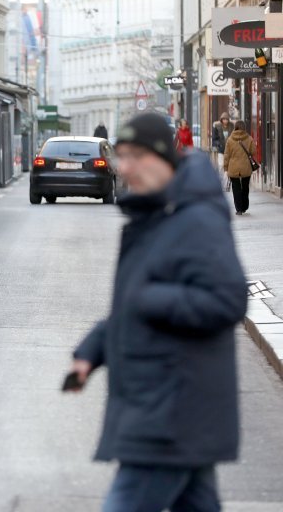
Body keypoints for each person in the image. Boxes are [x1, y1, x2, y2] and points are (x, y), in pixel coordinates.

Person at [65, 111, 248, 512]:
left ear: (161, 157)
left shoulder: (195, 219)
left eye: (132, 156)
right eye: (120, 157)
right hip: (164, 399)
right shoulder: (153, 216)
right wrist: (92, 351)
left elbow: (228, 300)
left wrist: (154, 299)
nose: (123, 168)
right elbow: (134, 301)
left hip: (172, 405)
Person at [223, 119, 256, 215]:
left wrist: (225, 168)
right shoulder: (249, 138)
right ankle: (245, 206)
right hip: (246, 167)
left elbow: (226, 155)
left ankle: (239, 209)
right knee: (245, 187)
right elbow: (253, 151)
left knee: (236, 188)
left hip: (233, 167)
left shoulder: (230, 139)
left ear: (235, 127)